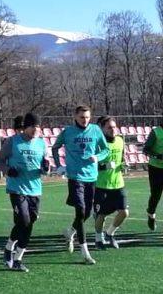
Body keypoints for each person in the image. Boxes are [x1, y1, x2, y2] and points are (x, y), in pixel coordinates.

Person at [52, 105, 109, 265]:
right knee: (81, 210)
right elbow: (55, 147)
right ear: (75, 117)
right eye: (82, 117)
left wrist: (97, 157)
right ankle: (85, 252)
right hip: (75, 176)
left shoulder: (96, 130)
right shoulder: (68, 132)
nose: (85, 120)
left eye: (87, 117)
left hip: (91, 176)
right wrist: (59, 165)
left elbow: (105, 150)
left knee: (87, 213)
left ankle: (70, 232)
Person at [0, 113, 48, 272]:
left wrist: (46, 168)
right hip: (17, 188)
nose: (35, 129)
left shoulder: (42, 144)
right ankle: (9, 249)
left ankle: (17, 257)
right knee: (24, 220)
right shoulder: (13, 141)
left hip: (35, 189)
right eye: (32, 126)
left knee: (29, 223)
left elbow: (44, 165)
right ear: (25, 127)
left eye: (37, 127)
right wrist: (8, 170)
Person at [93, 116, 129, 250]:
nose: (113, 130)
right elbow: (90, 165)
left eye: (114, 127)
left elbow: (122, 158)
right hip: (101, 185)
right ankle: (98, 239)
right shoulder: (97, 144)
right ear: (102, 129)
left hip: (118, 183)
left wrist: (124, 164)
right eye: (109, 127)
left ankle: (110, 233)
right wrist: (105, 166)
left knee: (124, 212)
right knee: (101, 215)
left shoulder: (120, 140)